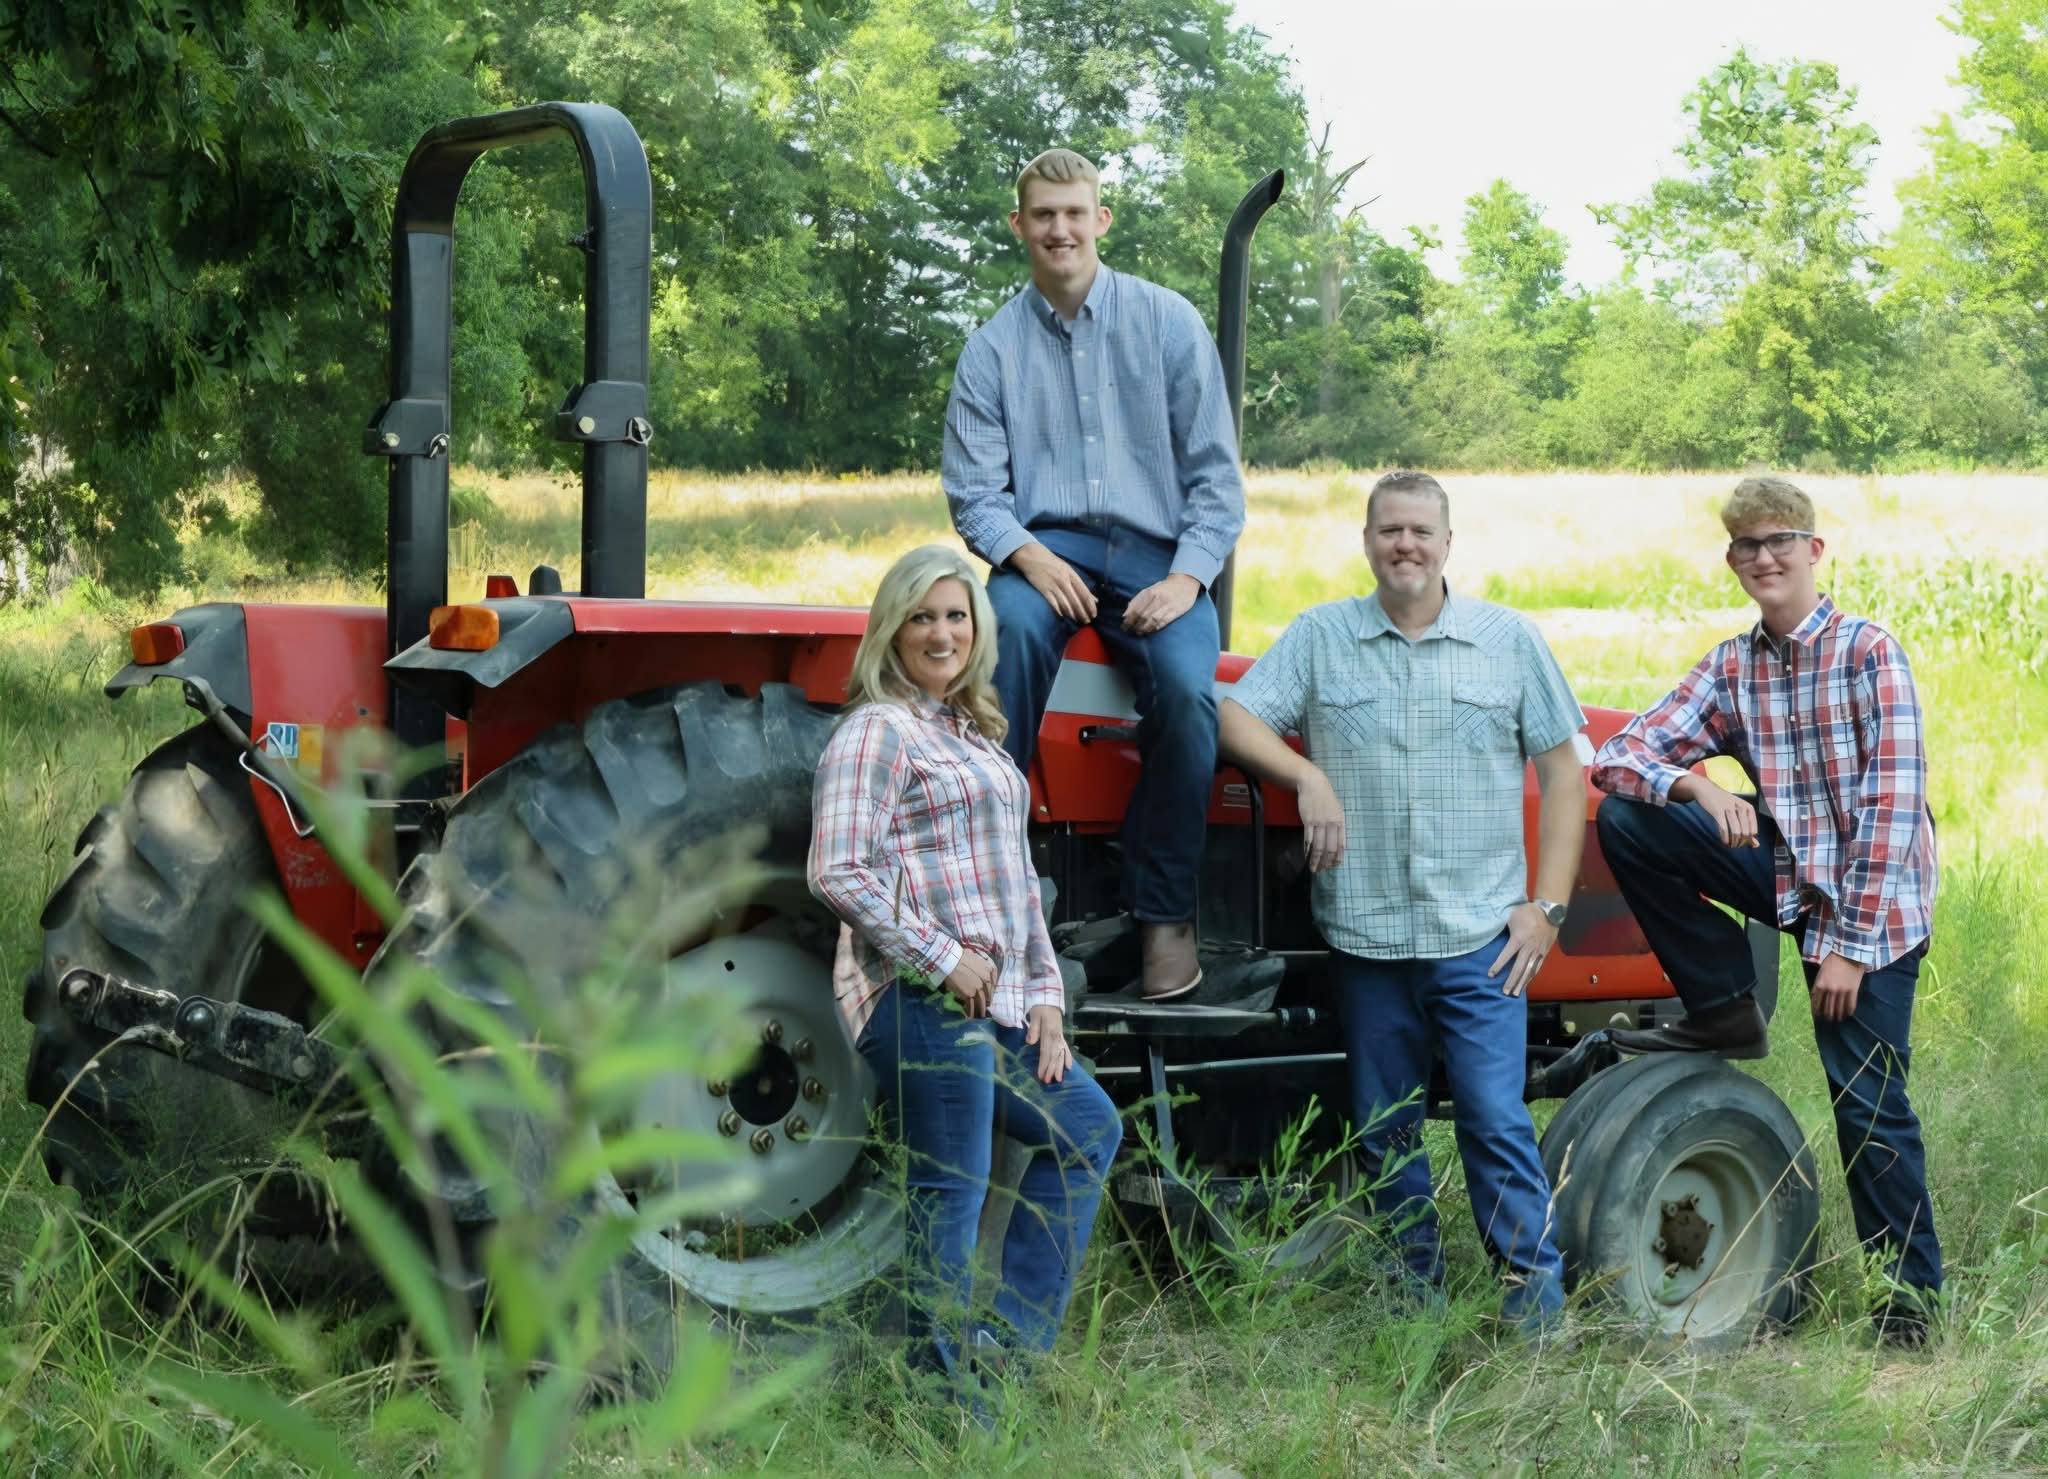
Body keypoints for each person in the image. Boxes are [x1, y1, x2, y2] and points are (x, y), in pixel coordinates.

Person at [1216, 471, 1585, 1332]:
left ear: (1448, 543)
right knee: (1385, 1129)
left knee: (1494, 1120)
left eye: (1421, 530)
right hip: (1368, 938)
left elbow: (1566, 773)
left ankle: (1537, 1309)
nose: (1405, 545)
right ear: (1368, 541)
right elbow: (1235, 718)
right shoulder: (1321, 637)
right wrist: (1305, 773)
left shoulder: (1507, 641)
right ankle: (1411, 1301)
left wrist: (1549, 908)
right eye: (1389, 530)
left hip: (1480, 936)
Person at [1589, 475, 1942, 1343]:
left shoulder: (1867, 652)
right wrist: (1696, 787)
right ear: (1732, 560)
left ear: (1815, 551)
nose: (1764, 557)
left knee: (1865, 1101)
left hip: (1873, 903)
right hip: (1787, 875)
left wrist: (1849, 948)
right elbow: (1619, 752)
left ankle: (1910, 1312)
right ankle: (1722, 1005)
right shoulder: (1732, 665)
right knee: (1632, 815)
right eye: (1747, 544)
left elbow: (1892, 811)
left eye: (1780, 539)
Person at [807, 544, 1123, 1394]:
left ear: (977, 630)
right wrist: (944, 960)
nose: (941, 632)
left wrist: (1047, 1000)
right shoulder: (876, 728)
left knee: (1089, 1131)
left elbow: (1016, 883)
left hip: (998, 1005)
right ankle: (938, 1393)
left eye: (956, 615)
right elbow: (837, 868)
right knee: (953, 1189)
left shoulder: (974, 730)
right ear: (892, 630)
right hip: (916, 998)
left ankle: (1002, 1351)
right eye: (922, 616)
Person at [942, 146, 1246, 1001]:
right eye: (1043, 215)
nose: (1060, 229)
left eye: (1075, 213)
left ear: (1101, 219)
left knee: (1190, 693)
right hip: (1050, 549)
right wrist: (1030, 556)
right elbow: (975, 495)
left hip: (1161, 555)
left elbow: (1218, 484)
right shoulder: (991, 351)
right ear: (1019, 226)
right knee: (1000, 648)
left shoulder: (1168, 323)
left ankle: (1163, 916)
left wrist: (1187, 579)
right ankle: (990, 889)